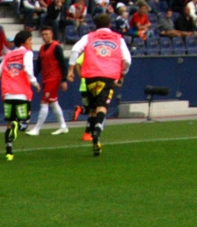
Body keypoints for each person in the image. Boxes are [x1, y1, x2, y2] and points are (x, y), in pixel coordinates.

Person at [67, 13, 131, 157]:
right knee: (102, 107)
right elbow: (127, 59)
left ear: (95, 25)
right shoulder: (118, 38)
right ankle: (97, 129)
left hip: (90, 76)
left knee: (93, 108)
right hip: (107, 76)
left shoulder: (88, 37)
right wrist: (122, 74)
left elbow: (75, 50)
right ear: (109, 25)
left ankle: (96, 139)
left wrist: (70, 70)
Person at [0, 30, 39, 161]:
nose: (32, 43)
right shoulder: (27, 53)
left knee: (9, 123)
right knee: (25, 121)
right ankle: (18, 125)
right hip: (21, 93)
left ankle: (9, 152)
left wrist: (8, 80)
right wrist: (34, 82)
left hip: (8, 93)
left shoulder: (8, 55)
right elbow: (27, 68)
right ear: (25, 42)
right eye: (30, 40)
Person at [27, 27, 68, 136]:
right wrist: (33, 78)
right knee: (54, 103)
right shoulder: (42, 48)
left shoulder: (56, 47)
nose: (45, 36)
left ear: (52, 34)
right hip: (46, 78)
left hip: (54, 78)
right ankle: (63, 126)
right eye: (43, 34)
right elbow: (39, 65)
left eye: (47, 34)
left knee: (44, 102)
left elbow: (63, 64)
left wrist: (64, 80)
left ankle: (37, 129)